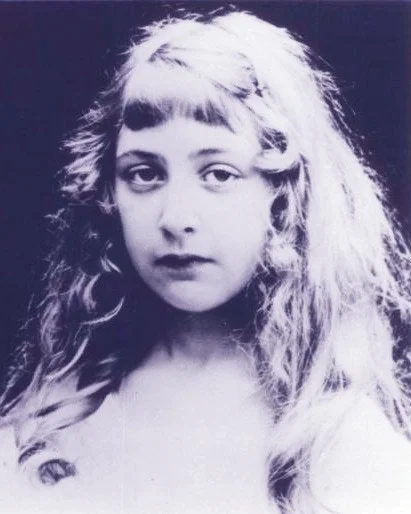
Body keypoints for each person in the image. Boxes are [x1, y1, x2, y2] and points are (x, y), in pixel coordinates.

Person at [0, 7, 410, 514]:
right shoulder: (55, 424)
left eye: (218, 174)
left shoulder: (340, 444)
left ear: (283, 196)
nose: (176, 218)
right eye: (145, 173)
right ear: (109, 195)